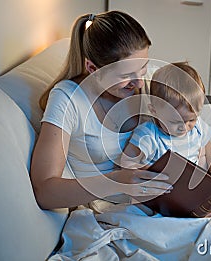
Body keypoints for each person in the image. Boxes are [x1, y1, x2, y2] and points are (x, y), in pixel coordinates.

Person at [30, 11, 173, 210]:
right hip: (112, 208)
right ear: (92, 68)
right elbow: (45, 192)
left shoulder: (140, 86)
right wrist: (117, 181)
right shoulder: (68, 99)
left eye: (143, 68)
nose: (140, 81)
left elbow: (190, 122)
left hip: (161, 197)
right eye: (126, 74)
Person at [120, 62, 211, 185]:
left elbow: (207, 146)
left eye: (191, 119)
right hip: (160, 191)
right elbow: (127, 164)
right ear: (154, 110)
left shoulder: (197, 128)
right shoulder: (148, 135)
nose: (184, 127)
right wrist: (151, 172)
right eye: (175, 122)